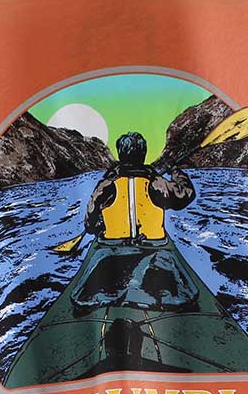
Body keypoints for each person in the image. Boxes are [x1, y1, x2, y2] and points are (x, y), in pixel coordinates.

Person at [71, 131, 199, 311]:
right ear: (143, 154)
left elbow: (90, 224)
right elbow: (186, 194)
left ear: (120, 154)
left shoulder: (106, 185)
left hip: (112, 251)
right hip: (154, 249)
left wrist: (98, 225)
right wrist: (176, 172)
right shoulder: (157, 183)